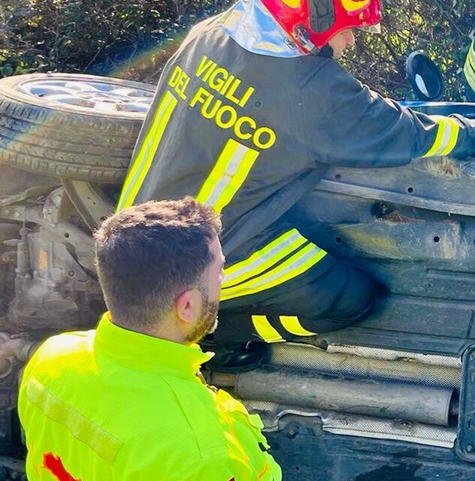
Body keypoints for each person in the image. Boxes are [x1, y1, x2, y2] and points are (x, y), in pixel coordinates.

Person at [116, 0, 475, 352]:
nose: (350, 42)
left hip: (134, 234)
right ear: (318, 17)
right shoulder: (313, 89)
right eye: (348, 30)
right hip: (209, 258)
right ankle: (216, 339)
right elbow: (411, 135)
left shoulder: (208, 34)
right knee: (354, 300)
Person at [18, 198, 281, 480]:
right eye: (219, 271)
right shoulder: (200, 457)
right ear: (187, 307)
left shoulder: (52, 356)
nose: (223, 278)